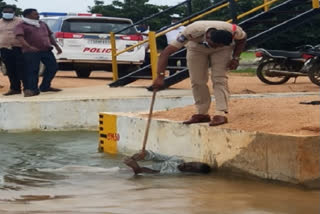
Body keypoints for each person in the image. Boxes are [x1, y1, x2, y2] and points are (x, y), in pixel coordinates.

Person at [152, 20, 247, 126]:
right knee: (197, 80)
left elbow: (242, 40)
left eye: (219, 45)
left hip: (224, 51)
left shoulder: (233, 30)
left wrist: (235, 58)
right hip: (196, 48)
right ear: (208, 37)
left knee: (219, 78)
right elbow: (166, 52)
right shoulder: (191, 31)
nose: (215, 47)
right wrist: (160, 76)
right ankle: (202, 113)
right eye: (214, 45)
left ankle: (220, 113)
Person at [15, 8, 62, 97]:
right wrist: (29, 47)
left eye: (37, 14)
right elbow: (20, 37)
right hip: (31, 51)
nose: (38, 15)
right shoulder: (22, 25)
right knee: (33, 70)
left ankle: (45, 86)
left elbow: (49, 35)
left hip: (46, 50)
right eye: (35, 14)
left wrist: (56, 46)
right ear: (28, 15)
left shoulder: (42, 24)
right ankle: (32, 90)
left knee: (53, 67)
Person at [0, 5, 24, 96]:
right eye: (5, 12)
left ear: (14, 13)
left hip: (18, 48)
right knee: (10, 70)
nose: (7, 14)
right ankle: (15, 88)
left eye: (10, 12)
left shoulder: (20, 22)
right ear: (2, 12)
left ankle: (28, 88)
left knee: (21, 69)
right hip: (4, 49)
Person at [123, 150, 211, 174]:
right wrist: (144, 154)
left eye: (191, 168)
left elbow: (153, 173)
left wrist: (136, 167)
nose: (186, 165)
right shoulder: (178, 160)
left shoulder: (175, 174)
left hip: (127, 174)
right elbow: (156, 156)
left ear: (192, 174)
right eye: (190, 163)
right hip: (124, 171)